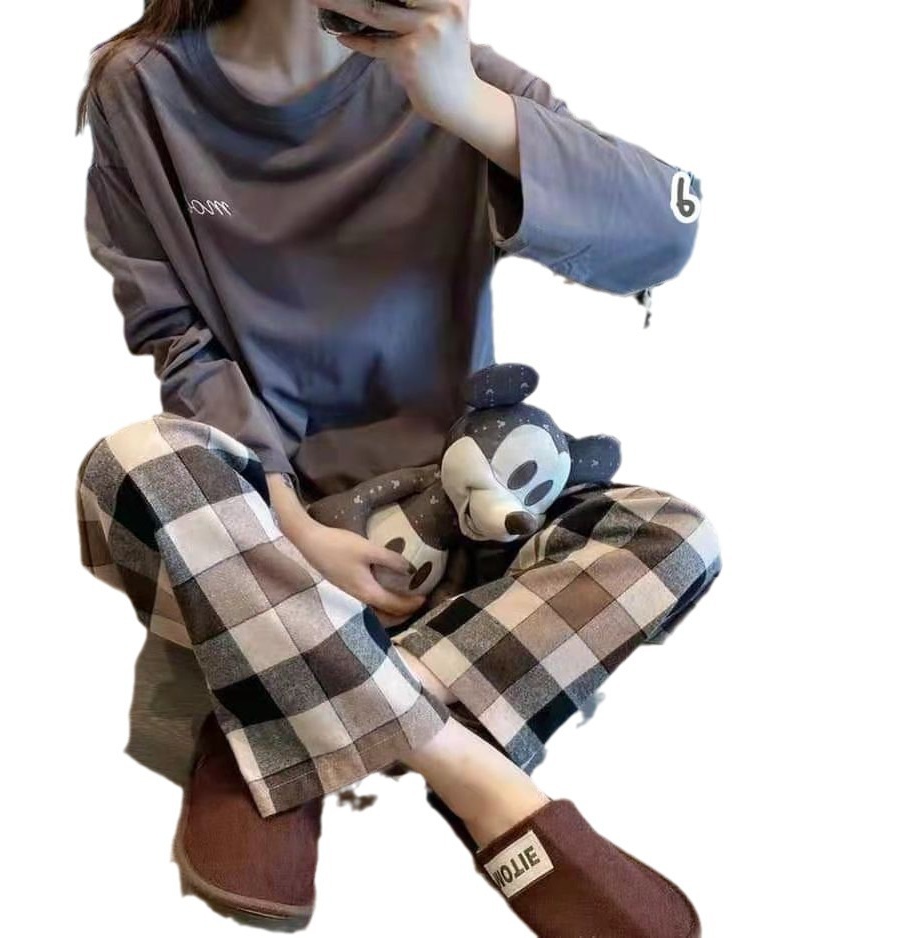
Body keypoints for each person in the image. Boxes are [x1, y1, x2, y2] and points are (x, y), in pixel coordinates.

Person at [74, 1, 722, 934]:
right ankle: (472, 777)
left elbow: (665, 232)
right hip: (255, 531)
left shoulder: (447, 69)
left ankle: (277, 711)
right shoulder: (143, 88)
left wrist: (468, 107)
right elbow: (178, 337)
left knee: (672, 536)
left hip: (459, 512)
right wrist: (295, 530)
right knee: (136, 461)